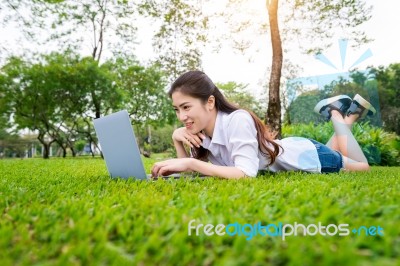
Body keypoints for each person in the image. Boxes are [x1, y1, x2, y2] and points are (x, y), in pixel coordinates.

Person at [151, 70, 376, 179]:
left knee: (362, 167)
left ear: (210, 102)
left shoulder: (237, 120)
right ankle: (351, 113)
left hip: (309, 155)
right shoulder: (202, 132)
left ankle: (336, 113)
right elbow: (189, 173)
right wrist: (176, 139)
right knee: (335, 147)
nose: (181, 117)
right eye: (177, 109)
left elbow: (246, 173)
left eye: (186, 107)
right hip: (296, 149)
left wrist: (191, 163)